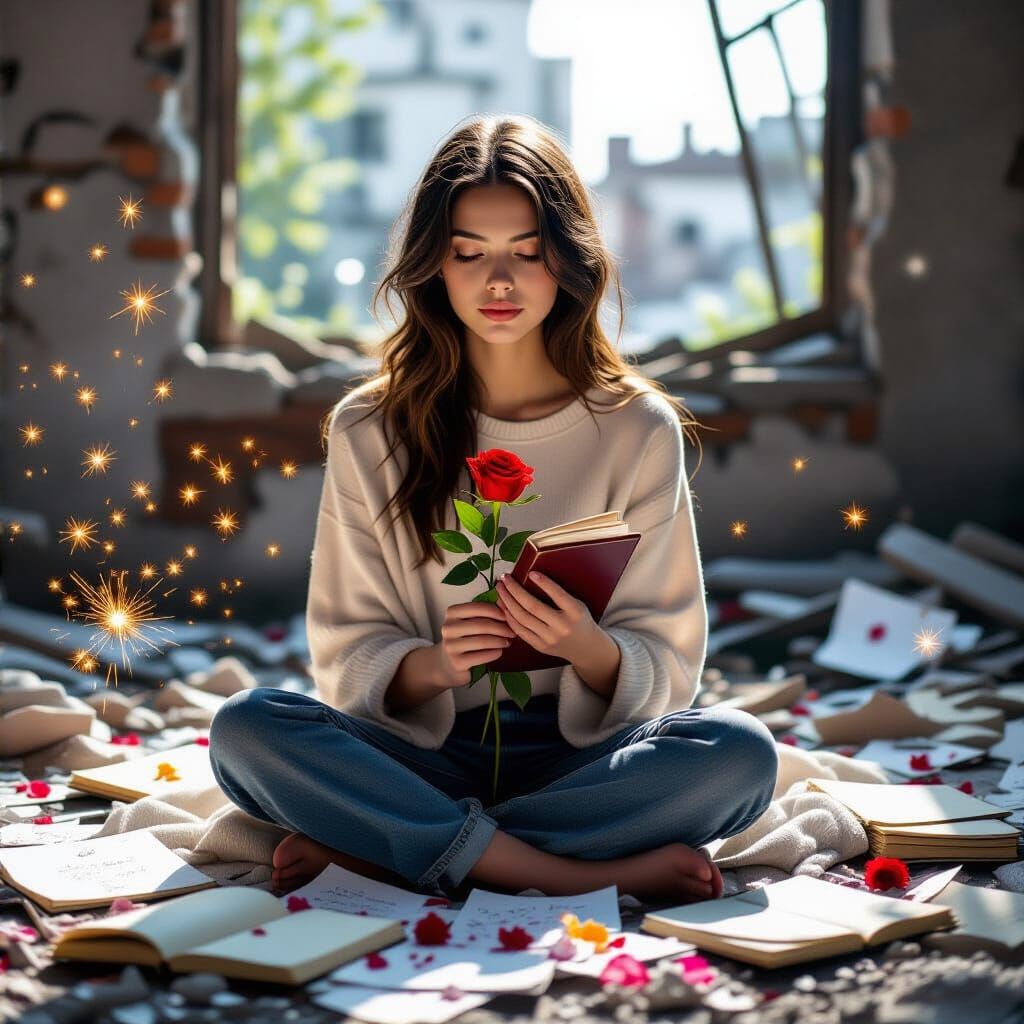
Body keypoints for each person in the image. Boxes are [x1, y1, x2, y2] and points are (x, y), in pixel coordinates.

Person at [209, 113, 778, 905]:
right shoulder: (369, 428)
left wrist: (588, 648)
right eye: (469, 254)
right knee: (246, 729)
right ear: (433, 268)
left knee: (739, 754)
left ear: (569, 261)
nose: (498, 283)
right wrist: (434, 665)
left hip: (581, 759)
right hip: (423, 750)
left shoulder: (639, 427)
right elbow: (345, 651)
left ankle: (396, 849)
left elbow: (672, 660)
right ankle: (563, 873)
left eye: (527, 253)